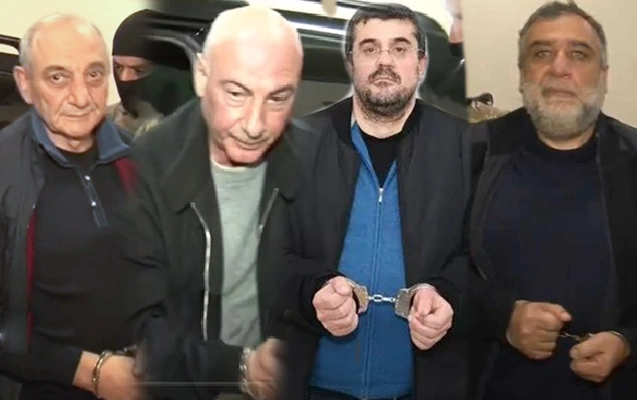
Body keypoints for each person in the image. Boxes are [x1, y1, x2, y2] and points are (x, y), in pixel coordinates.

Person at [279, 3, 472, 400]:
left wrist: (447, 292)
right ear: (351, 62)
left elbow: (483, 259)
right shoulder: (297, 145)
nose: (384, 60)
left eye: (399, 48)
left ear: (420, 63)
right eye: (370, 48)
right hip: (315, 387)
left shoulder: (465, 149)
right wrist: (311, 290)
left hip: (423, 388)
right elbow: (266, 257)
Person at [121, 5, 306, 400]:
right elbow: (139, 330)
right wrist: (239, 369)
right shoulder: (147, 166)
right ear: (202, 76)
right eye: (237, 93)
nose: (255, 124)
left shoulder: (319, 162)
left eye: (278, 98)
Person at [469, 2, 637, 400]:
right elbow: (426, 266)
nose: (559, 68)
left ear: (603, 75)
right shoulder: (467, 154)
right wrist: (501, 316)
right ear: (522, 73)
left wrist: (628, 342)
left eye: (579, 54)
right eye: (542, 53)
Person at [0, 14, 139, 400]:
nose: (81, 97)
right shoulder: (4, 171)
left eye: (94, 75)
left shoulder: (140, 160)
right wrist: (89, 372)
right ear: (25, 84)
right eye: (58, 77)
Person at [107, 9, 164, 136]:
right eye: (118, 67)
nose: (124, 78)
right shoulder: (100, 123)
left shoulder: (187, 130)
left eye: (139, 70)